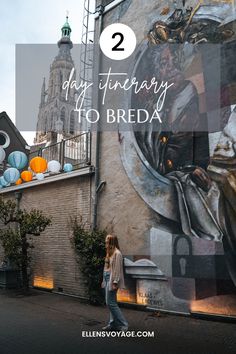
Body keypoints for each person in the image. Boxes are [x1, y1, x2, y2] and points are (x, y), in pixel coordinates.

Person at [101, 234, 128, 331]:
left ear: (112, 242)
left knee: (110, 303)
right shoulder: (109, 252)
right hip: (107, 278)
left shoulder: (117, 253)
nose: (105, 243)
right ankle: (112, 324)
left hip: (113, 280)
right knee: (111, 302)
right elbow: (106, 267)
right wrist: (103, 279)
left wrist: (115, 281)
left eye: (107, 242)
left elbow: (117, 269)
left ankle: (124, 325)